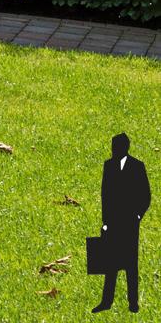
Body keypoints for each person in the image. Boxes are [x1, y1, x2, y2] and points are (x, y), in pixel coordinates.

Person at [98, 133, 150, 313]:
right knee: (110, 263)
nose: (113, 150)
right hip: (113, 222)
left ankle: (133, 303)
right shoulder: (108, 166)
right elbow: (105, 195)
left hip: (129, 223)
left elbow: (145, 195)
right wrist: (105, 221)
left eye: (116, 147)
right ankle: (106, 302)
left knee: (130, 264)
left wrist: (137, 216)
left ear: (124, 147)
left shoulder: (137, 166)